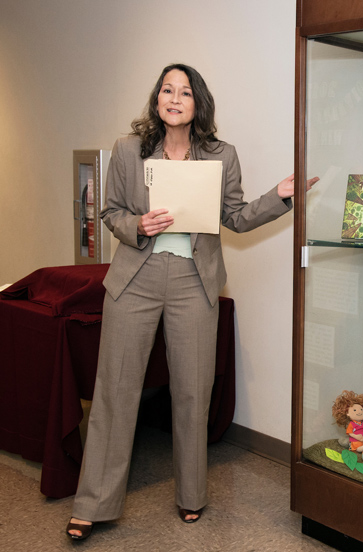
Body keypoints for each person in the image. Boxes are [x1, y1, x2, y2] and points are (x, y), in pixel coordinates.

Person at [65, 64, 318, 541]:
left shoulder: (222, 155)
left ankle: (191, 495)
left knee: (191, 392)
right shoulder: (126, 151)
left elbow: (237, 219)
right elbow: (111, 211)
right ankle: (92, 503)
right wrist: (137, 226)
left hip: (193, 281)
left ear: (197, 103)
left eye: (185, 92)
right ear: (157, 100)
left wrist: (280, 196)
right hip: (135, 278)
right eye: (167, 90)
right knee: (116, 392)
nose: (174, 98)